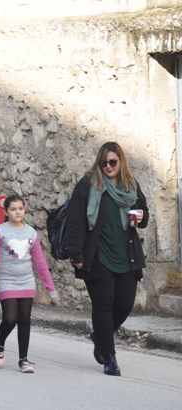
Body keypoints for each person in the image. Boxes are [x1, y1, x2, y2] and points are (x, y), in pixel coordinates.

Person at [64, 142, 149, 377]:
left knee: (124, 304)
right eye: (104, 163)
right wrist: (76, 254)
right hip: (97, 256)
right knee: (103, 305)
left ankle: (101, 335)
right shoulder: (89, 184)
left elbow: (144, 216)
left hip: (127, 255)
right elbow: (76, 220)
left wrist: (141, 216)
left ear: (120, 161)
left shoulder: (130, 185)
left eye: (113, 162)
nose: (109, 167)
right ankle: (109, 358)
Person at [0, 194, 57, 374]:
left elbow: (40, 263)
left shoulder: (31, 233)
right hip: (7, 281)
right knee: (10, 318)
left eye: (20, 208)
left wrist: (51, 288)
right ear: (7, 212)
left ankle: (23, 359)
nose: (17, 212)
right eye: (13, 209)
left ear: (24, 210)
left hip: (26, 281)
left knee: (24, 319)